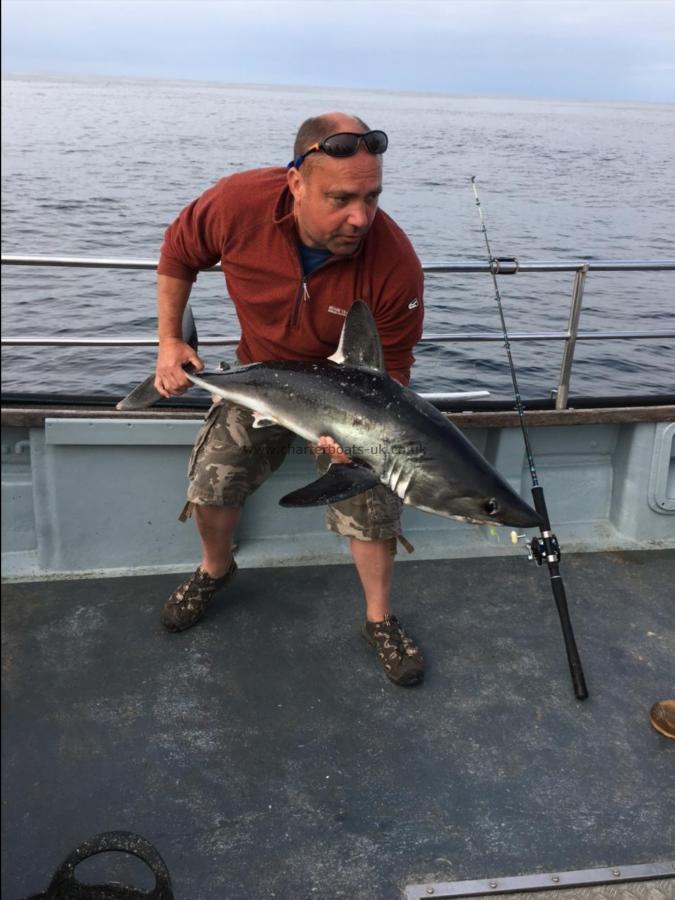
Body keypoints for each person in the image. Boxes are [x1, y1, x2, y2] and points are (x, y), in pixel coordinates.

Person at [154, 112, 425, 686]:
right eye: (342, 198)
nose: (361, 218)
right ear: (296, 182)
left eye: (373, 196)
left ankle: (379, 618)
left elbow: (391, 376)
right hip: (262, 378)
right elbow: (179, 253)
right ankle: (215, 570)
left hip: (351, 398)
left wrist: (354, 441)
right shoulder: (236, 204)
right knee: (212, 479)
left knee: (374, 502)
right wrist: (171, 341)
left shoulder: (394, 262)